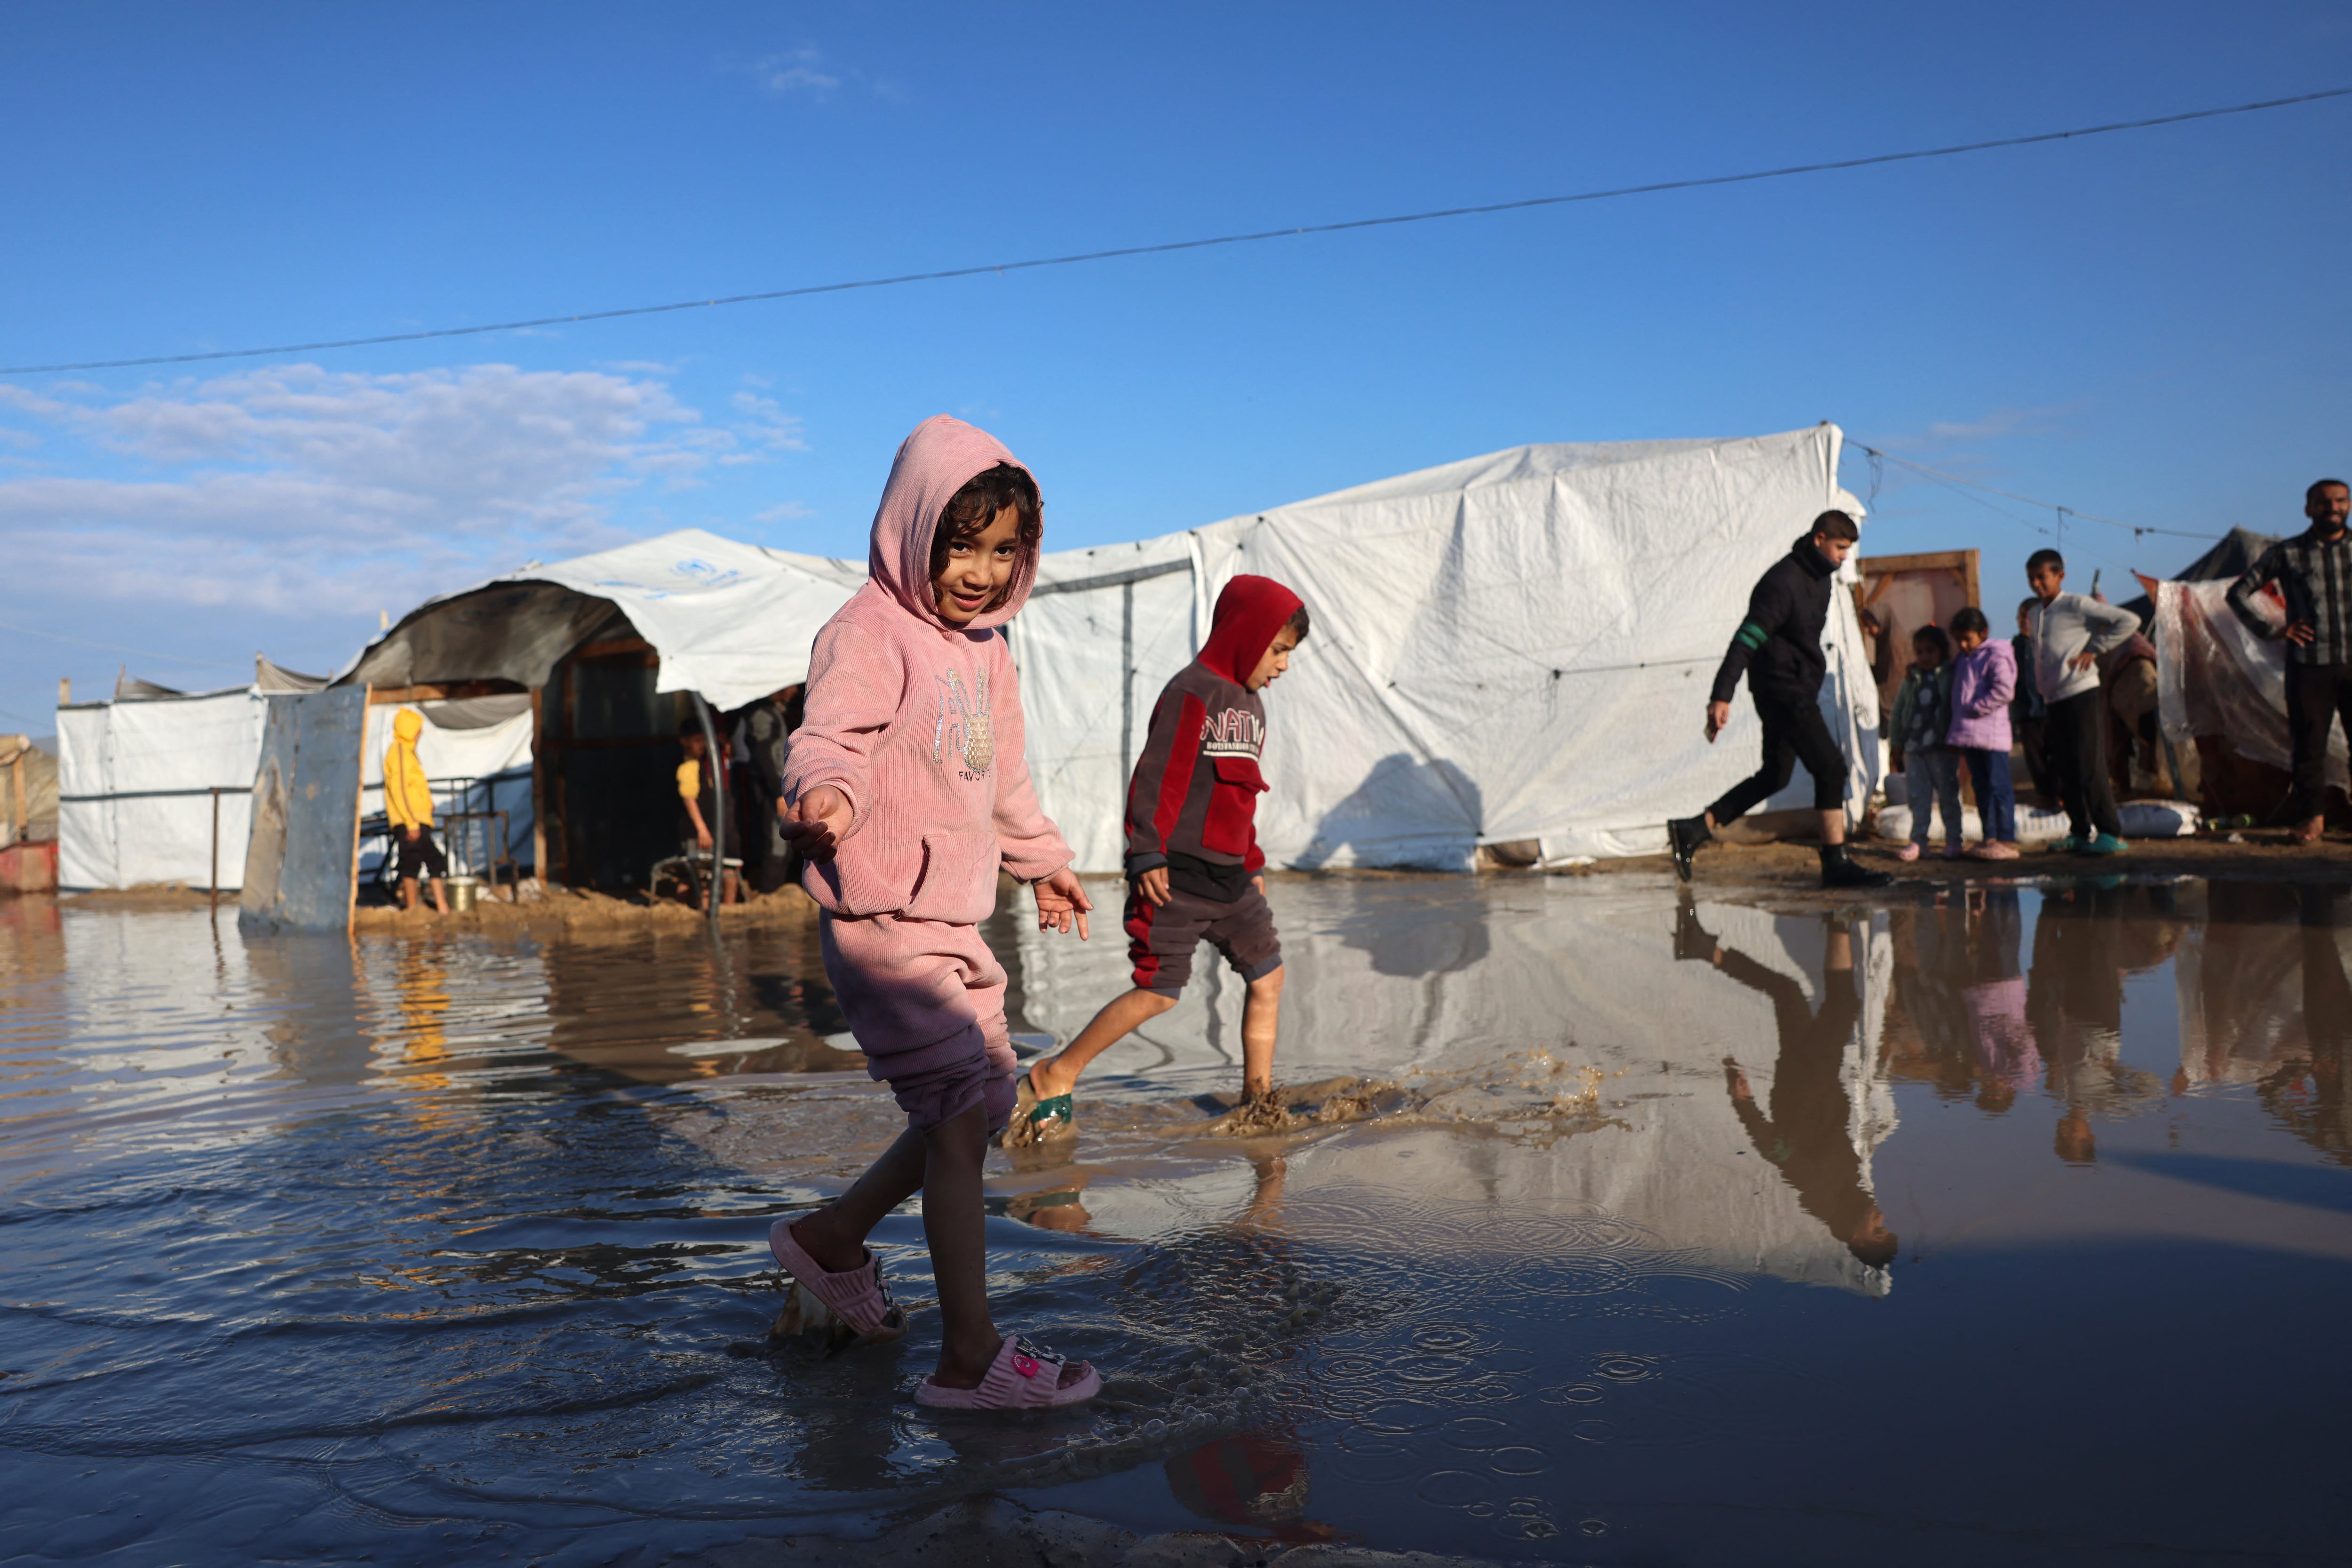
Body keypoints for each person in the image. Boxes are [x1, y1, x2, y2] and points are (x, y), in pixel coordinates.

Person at [769, 415, 1101, 1410]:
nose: (981, 572)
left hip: (956, 918)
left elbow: (1005, 777)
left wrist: (1044, 862)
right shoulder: (867, 631)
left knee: (987, 1103)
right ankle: (969, 1356)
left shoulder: (988, 650)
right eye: (961, 545)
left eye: (1004, 551)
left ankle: (832, 1237)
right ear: (914, 527)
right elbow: (828, 738)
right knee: (957, 1120)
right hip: (882, 920)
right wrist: (825, 798)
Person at [1009, 575, 1308, 1146]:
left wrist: (1253, 865)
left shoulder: (1253, 708)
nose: (1282, 666)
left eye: (1288, 654)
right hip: (1174, 879)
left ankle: (1258, 1102)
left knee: (1269, 977)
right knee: (1158, 992)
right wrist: (1145, 852)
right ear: (1244, 635)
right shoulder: (1192, 692)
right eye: (1276, 650)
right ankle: (1055, 1073)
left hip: (1233, 880)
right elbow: (1157, 778)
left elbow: (1242, 799)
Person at [1667, 509, 1892, 889]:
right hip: (1782, 690)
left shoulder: (1820, 579)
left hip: (1795, 686)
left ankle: (1693, 828)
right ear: (1820, 539)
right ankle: (1835, 863)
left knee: (1775, 775)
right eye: (1840, 548)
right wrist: (1722, 695)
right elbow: (1746, 638)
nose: (1844, 557)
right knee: (1831, 768)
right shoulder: (1783, 582)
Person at [1673, 904, 1899, 1270]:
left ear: (1859, 1238)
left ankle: (1838, 920)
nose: (1881, 1217)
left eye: (1878, 1229)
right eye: (1884, 1225)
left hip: (1807, 1085)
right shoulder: (1846, 1198)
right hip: (1810, 1085)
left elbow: (1775, 1151)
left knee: (1842, 1004)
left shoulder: (1823, 1197)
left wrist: (1744, 1105)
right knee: (1787, 992)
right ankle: (1701, 948)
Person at [2225, 478, 2352, 843]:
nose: (2333, 508)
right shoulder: (2288, 552)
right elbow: (2238, 593)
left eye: (2341, 501)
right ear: (2309, 509)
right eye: (2324, 502)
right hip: (2310, 665)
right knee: (2309, 746)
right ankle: (2313, 819)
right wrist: (2272, 630)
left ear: (2348, 505)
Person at [2026, 549, 2139, 855]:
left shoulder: (2076, 605)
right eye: (2031, 578)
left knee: (2089, 763)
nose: (2036, 584)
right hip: (2054, 698)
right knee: (2065, 766)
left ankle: (2110, 832)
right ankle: (2079, 829)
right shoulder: (2035, 614)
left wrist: (2095, 648)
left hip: (2081, 692)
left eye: (2042, 577)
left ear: (2060, 576)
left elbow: (2128, 620)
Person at [1947, 606, 2020, 860]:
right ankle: (1990, 838)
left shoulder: (1996, 655)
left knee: (1998, 786)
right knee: (1981, 786)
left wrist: (1976, 708)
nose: (1963, 645)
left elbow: (2004, 690)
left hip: (1992, 736)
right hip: (1971, 736)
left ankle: (2005, 839)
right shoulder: (1964, 660)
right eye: (1959, 640)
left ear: (1984, 633)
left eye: (1967, 639)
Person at [1889, 625, 1962, 862]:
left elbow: (1958, 707)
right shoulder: (1912, 679)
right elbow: (1898, 711)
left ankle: (1954, 840)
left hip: (1943, 747)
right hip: (1914, 747)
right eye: (1919, 652)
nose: (1924, 657)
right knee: (1918, 796)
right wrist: (1896, 742)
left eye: (1930, 651)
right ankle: (1919, 841)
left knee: (1948, 795)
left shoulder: (1951, 675)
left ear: (1942, 651)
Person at [383, 708, 448, 914]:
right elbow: (400, 790)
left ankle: (442, 907)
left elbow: (414, 787)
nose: (420, 733)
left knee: (433, 860)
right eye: (418, 729)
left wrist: (427, 805)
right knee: (412, 862)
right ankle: (414, 910)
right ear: (409, 729)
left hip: (419, 818)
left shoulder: (408, 752)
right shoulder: (399, 752)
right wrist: (411, 822)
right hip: (410, 820)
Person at [675, 723, 740, 908]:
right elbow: (689, 799)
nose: (702, 745)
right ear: (685, 742)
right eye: (697, 741)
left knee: (727, 869)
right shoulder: (689, 767)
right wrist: (702, 829)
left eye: (704, 740)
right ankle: (683, 910)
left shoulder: (713, 766)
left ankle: (727, 909)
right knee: (695, 875)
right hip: (698, 832)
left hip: (715, 830)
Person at [2010, 598, 2051, 802]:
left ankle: (2061, 794)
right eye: (2023, 616)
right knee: (2034, 756)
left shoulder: (2048, 643)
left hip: (2051, 708)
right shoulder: (2013, 647)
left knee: (2056, 753)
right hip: (2026, 712)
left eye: (2030, 616)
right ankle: (2046, 796)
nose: (2026, 621)